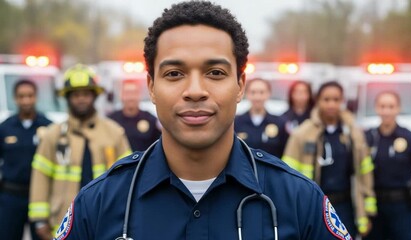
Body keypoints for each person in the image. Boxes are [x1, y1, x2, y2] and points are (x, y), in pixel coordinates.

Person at [54, 2, 352, 239]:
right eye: (174, 74)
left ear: (240, 85)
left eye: (215, 73)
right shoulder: (97, 205)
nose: (195, 91)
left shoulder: (299, 201)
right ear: (151, 87)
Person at [28, 64, 132, 240]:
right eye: (76, 95)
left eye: (86, 94)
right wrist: (39, 219)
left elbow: (128, 178)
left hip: (106, 220)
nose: (81, 99)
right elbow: (41, 176)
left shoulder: (114, 133)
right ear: (68, 98)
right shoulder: (52, 135)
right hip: (62, 223)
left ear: (94, 96)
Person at [283, 81, 377, 237]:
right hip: (315, 206)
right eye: (326, 99)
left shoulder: (354, 133)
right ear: (318, 100)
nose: (331, 104)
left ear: (342, 101)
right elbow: (287, 174)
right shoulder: (302, 134)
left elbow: (364, 173)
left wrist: (367, 210)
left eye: (336, 99)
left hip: (346, 207)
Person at [364, 91, 411, 240]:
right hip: (374, 206)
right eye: (382, 106)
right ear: (376, 108)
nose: (386, 111)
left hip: (403, 205)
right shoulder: (368, 138)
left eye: (391, 106)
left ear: (398, 108)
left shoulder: (409, 137)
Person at [0, 80, 51, 240]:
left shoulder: (49, 128)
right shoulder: (5, 128)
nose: (26, 101)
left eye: (30, 96)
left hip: (40, 198)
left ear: (36, 97)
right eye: (21, 96)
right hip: (11, 197)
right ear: (15, 99)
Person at [235, 78, 286, 158]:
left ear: (269, 94)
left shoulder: (279, 123)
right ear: (246, 94)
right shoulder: (236, 122)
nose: (257, 97)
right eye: (253, 92)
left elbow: (284, 152)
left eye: (262, 92)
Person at [108, 79, 161, 151]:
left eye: (134, 93)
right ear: (121, 95)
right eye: (127, 93)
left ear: (139, 95)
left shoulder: (151, 120)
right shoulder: (111, 120)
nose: (131, 97)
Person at [280, 80, 314, 145]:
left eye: (304, 92)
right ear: (291, 94)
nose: (300, 95)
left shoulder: (315, 117)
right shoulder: (284, 118)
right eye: (297, 92)